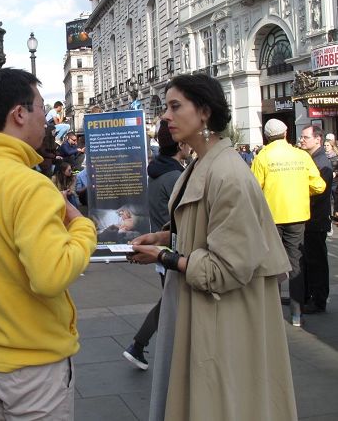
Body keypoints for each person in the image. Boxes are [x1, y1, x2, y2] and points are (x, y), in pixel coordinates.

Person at [128, 74, 297, 421]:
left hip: (224, 321)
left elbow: (226, 268)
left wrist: (164, 256)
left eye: (175, 107)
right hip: (202, 312)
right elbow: (200, 229)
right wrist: (162, 238)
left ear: (204, 112)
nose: (166, 116)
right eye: (166, 108)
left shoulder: (228, 173)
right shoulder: (203, 163)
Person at [0, 68, 97, 420]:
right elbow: (50, 276)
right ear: (19, 114)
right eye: (41, 107)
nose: (46, 118)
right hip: (35, 365)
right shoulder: (30, 186)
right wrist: (83, 229)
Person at [123, 120, 188, 371]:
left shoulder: (158, 173)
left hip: (165, 247)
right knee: (172, 303)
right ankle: (139, 345)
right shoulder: (176, 176)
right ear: (180, 144)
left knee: (170, 301)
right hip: (174, 247)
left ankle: (138, 345)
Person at [251, 118, 325, 326]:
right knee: (296, 264)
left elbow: (254, 190)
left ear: (267, 137)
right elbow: (319, 186)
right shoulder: (301, 156)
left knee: (272, 264)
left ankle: (273, 312)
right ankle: (296, 314)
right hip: (297, 215)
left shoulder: (262, 158)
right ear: (286, 134)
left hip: (271, 218)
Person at [300, 125, 333, 314]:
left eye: (306, 137)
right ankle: (306, 295)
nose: (302, 140)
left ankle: (318, 299)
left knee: (317, 261)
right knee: (308, 260)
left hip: (316, 220)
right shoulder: (312, 159)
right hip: (310, 219)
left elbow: (318, 195)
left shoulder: (322, 163)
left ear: (318, 139)